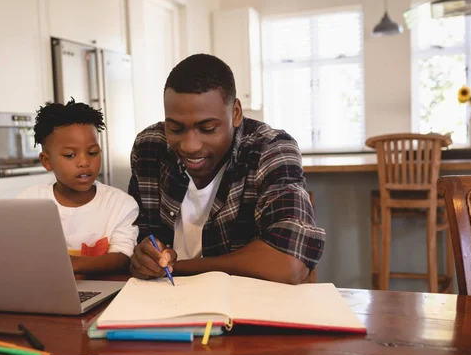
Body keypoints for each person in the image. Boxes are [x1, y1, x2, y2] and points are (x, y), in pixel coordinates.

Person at [128, 54, 325, 285]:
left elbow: (289, 263)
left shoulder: (270, 148)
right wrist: (144, 257)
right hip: (165, 302)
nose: (190, 146)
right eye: (176, 128)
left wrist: (179, 267)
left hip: (248, 305)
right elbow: (135, 240)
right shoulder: (149, 147)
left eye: (208, 128)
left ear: (236, 113)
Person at [17, 98, 138, 275]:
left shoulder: (121, 204)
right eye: (70, 155)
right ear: (47, 161)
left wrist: (69, 264)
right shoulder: (28, 202)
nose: (84, 162)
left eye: (92, 153)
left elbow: (122, 258)